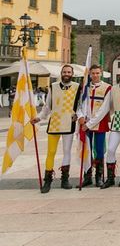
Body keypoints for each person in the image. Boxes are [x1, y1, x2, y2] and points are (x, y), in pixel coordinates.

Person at [30, 65, 81, 193]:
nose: (66, 74)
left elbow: (80, 105)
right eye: (64, 72)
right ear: (61, 73)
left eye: (69, 72)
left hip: (69, 122)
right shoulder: (53, 86)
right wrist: (39, 117)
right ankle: (47, 180)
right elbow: (47, 106)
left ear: (72, 73)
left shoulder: (77, 87)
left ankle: (65, 179)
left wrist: (79, 115)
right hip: (55, 122)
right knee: (51, 152)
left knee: (67, 151)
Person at [84, 65, 120, 188]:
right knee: (111, 150)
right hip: (117, 123)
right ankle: (111, 178)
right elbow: (105, 108)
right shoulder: (113, 89)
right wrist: (90, 123)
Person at [77, 65, 112, 187]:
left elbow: (104, 109)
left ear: (101, 73)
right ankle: (87, 176)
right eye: (93, 73)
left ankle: (99, 176)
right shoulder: (84, 87)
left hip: (98, 124)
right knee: (86, 150)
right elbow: (79, 104)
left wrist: (89, 124)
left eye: (97, 73)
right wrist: (80, 116)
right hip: (84, 123)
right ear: (90, 74)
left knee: (99, 150)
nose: (95, 75)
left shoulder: (107, 88)